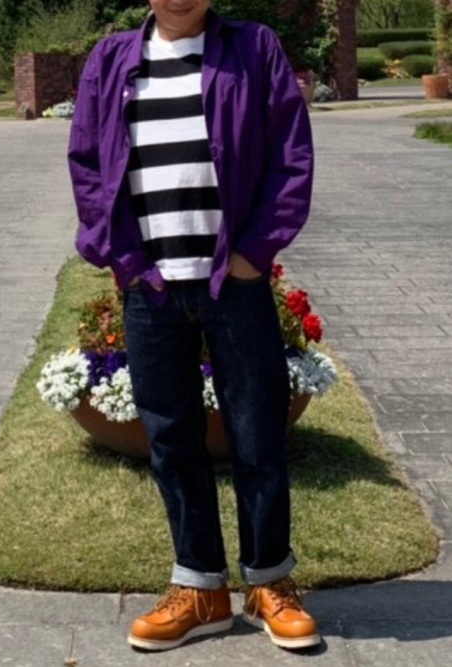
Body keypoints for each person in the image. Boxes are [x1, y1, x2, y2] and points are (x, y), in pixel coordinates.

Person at [68, 0, 318, 653]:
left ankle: (269, 582)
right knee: (171, 440)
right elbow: (88, 163)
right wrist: (122, 259)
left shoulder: (254, 49)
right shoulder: (111, 60)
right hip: (151, 287)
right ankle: (201, 587)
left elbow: (290, 155)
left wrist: (252, 254)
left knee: (258, 433)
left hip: (233, 281)